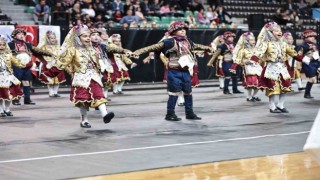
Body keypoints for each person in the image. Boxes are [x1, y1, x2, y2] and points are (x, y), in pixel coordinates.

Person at [134, 21, 214, 121]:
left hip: (185, 71)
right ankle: (170, 114)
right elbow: (153, 47)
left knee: (188, 93)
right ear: (174, 31)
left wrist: (209, 49)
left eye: (184, 29)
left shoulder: (188, 41)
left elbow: (198, 46)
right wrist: (137, 52)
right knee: (174, 93)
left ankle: (189, 113)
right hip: (173, 71)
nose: (183, 31)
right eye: (180, 29)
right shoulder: (168, 41)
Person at [41, 24, 117, 128]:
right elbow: (62, 63)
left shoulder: (92, 49)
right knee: (83, 101)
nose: (88, 38)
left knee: (99, 95)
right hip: (80, 79)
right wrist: (50, 73)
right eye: (85, 36)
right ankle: (84, 120)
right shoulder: (72, 50)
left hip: (94, 77)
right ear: (78, 38)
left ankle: (105, 115)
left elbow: (97, 63)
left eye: (88, 36)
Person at [251, 21, 301, 113]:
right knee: (272, 87)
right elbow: (259, 52)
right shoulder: (266, 43)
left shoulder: (284, 44)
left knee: (285, 86)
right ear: (270, 33)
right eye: (276, 31)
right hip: (271, 67)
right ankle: (272, 106)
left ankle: (281, 105)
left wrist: (304, 58)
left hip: (282, 67)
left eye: (280, 30)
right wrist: (253, 60)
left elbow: (293, 53)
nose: (279, 32)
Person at [8, 29, 53, 105]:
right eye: (19, 34)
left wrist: (50, 54)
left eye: (23, 34)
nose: (21, 35)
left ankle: (27, 99)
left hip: (26, 66)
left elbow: (38, 51)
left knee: (26, 82)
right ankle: (15, 99)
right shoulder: (10, 45)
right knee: (16, 83)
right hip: (16, 67)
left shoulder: (27, 45)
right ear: (14, 35)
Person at [0, 35, 33, 117]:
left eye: (3, 45)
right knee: (0, 96)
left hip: (8, 77)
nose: (1, 47)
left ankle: (7, 109)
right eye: (0, 45)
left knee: (9, 95)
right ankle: (0, 110)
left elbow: (17, 63)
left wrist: (27, 64)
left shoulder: (9, 55)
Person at [232, 32, 262, 102]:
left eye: (254, 40)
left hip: (257, 68)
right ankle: (249, 97)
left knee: (259, 83)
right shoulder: (243, 50)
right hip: (248, 68)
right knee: (251, 83)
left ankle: (254, 96)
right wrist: (244, 62)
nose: (253, 41)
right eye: (251, 40)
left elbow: (260, 58)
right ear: (247, 41)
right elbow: (238, 60)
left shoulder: (256, 49)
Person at [38, 31, 66, 97]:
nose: (53, 39)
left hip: (57, 64)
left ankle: (55, 92)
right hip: (48, 64)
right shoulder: (44, 46)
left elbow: (61, 53)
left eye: (54, 38)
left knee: (58, 79)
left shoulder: (57, 45)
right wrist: (43, 41)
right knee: (49, 79)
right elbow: (38, 49)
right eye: (51, 38)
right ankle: (51, 92)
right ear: (48, 39)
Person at [296, 30, 320, 99]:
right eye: (310, 36)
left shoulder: (315, 45)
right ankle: (307, 93)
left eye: (313, 36)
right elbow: (298, 55)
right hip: (308, 63)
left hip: (316, 62)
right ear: (305, 37)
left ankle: (307, 93)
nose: (312, 38)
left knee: (314, 79)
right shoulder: (302, 46)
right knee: (312, 79)